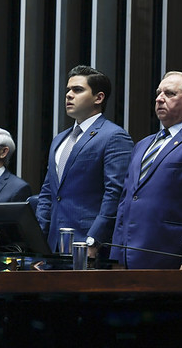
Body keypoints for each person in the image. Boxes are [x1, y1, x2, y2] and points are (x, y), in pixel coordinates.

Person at [110, 72, 182, 269]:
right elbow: (126, 202)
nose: (159, 98)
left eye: (169, 93)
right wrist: (116, 256)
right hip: (130, 258)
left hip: (171, 258)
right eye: (158, 93)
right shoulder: (142, 145)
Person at [35, 65, 133, 254]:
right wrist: (38, 242)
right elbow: (48, 193)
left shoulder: (114, 136)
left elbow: (115, 193)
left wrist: (94, 240)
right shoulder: (59, 139)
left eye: (78, 90)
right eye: (68, 90)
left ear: (99, 97)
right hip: (53, 244)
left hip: (89, 243)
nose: (69, 95)